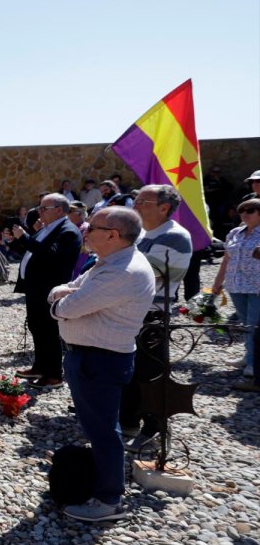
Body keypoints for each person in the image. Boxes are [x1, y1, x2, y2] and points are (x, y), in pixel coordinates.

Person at [48, 207, 154, 522]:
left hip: (100, 359)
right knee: (99, 427)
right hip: (91, 356)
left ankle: (108, 499)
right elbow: (64, 291)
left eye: (92, 226)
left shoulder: (123, 271)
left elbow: (64, 306)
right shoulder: (108, 263)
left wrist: (61, 302)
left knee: (104, 431)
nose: (85, 230)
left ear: (113, 234)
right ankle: (100, 483)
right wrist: (63, 299)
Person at [120, 184, 193, 452]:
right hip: (128, 312)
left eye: (142, 201)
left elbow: (144, 276)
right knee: (127, 369)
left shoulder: (175, 237)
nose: (135, 205)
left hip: (151, 315)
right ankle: (127, 420)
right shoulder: (140, 233)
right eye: (136, 200)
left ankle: (154, 431)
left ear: (164, 207)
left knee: (149, 374)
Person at [2, 193, 81, 388]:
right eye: (39, 208)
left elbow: (51, 255)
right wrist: (14, 241)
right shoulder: (47, 228)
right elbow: (32, 251)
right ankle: (40, 366)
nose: (39, 212)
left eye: (44, 208)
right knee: (37, 327)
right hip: (35, 287)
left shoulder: (68, 231)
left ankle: (54, 375)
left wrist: (25, 237)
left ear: (60, 210)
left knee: (49, 331)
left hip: (49, 288)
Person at [213, 198, 260, 388]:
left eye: (250, 210)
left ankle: (253, 364)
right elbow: (226, 260)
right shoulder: (234, 233)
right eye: (242, 211)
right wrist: (217, 283)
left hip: (257, 286)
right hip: (236, 285)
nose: (245, 214)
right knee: (245, 324)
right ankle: (249, 357)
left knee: (254, 325)